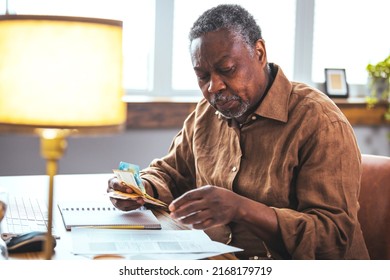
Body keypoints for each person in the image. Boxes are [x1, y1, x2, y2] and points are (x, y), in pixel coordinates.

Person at [108, 4, 369, 260]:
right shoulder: (206, 113)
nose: (214, 87)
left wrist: (242, 210)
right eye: (202, 76)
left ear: (259, 52)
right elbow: (170, 173)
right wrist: (139, 188)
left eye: (227, 69)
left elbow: (333, 239)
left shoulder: (320, 123)